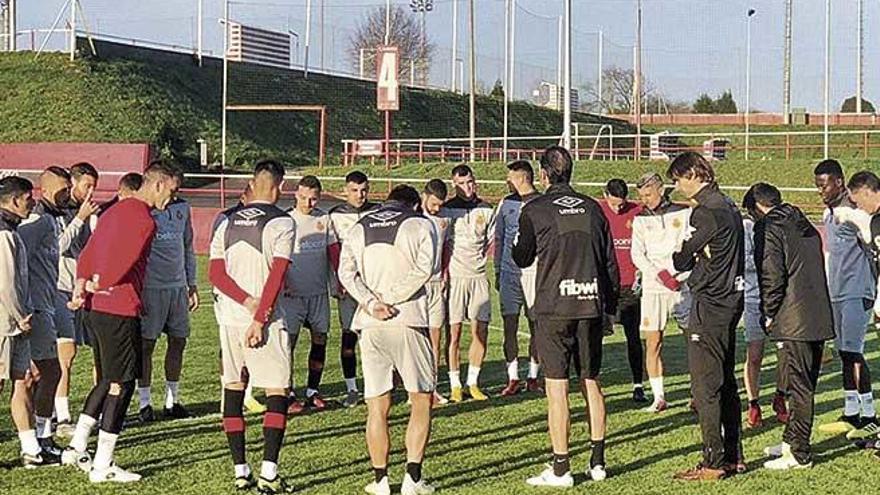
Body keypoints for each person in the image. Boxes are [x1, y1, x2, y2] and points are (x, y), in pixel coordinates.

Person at [62, 160, 180, 483]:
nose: (171, 199)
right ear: (157, 184)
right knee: (122, 382)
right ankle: (103, 464)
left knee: (106, 378)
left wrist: (83, 283)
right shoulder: (144, 219)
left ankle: (76, 446)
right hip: (119, 308)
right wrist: (102, 281)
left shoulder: (115, 210)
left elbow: (87, 252)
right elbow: (123, 259)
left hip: (96, 309)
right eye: (171, 191)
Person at [514, 146, 619, 487]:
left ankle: (561, 468)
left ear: (543, 174)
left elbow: (522, 256)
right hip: (590, 304)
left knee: (557, 388)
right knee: (591, 380)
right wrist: (610, 308)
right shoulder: (593, 208)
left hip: (554, 308)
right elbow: (609, 264)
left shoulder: (535, 208)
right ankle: (598, 461)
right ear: (571, 171)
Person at [338, 184, 437, 495]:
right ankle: (412, 478)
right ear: (415, 203)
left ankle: (380, 480)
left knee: (377, 405)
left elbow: (345, 273)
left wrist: (370, 303)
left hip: (370, 323)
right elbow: (425, 269)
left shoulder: (359, 226)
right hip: (407, 318)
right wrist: (390, 299)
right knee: (421, 399)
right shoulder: (421, 224)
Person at [208, 159, 295, 493]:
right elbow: (278, 273)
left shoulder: (225, 222)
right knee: (277, 391)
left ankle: (240, 471)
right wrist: (259, 315)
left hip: (229, 318)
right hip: (267, 321)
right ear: (279, 186)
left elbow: (216, 274)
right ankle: (269, 474)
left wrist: (244, 303)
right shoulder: (281, 222)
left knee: (233, 387)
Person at [667, 152, 744, 481]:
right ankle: (733, 455)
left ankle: (713, 462)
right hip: (731, 299)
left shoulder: (705, 212)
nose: (677, 186)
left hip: (710, 303)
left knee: (705, 387)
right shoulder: (729, 205)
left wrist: (687, 255)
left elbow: (682, 260)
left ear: (694, 175)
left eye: (678, 179)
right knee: (726, 381)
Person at [746, 183, 834, 470]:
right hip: (815, 312)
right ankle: (790, 441)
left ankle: (799, 453)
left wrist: (769, 312)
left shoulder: (768, 227)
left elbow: (771, 273)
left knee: (798, 386)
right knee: (801, 382)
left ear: (757, 208)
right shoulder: (801, 222)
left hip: (792, 317)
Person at [813, 160, 878, 440]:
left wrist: (875, 294)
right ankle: (851, 412)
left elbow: (872, 247)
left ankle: (869, 415)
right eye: (817, 185)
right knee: (844, 352)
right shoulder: (830, 213)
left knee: (853, 352)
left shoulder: (855, 212)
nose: (820, 190)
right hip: (837, 291)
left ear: (839, 182)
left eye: (823, 184)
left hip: (856, 289)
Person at [0, 176, 58, 467]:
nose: (32, 203)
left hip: (12, 322)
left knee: (20, 381)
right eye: (27, 198)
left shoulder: (12, 231)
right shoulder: (4, 235)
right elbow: (6, 284)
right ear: (13, 201)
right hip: (6, 323)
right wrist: (20, 315)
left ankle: (31, 450)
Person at [136, 169, 197, 423]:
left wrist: (191, 282)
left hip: (177, 287)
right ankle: (144, 403)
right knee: (146, 345)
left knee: (178, 341)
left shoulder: (182, 208)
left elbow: (188, 245)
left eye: (178, 190)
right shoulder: (142, 209)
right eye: (172, 190)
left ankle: (172, 400)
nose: (174, 195)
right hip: (151, 288)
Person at [630, 172, 691, 413]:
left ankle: (696, 393)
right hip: (655, 287)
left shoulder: (683, 212)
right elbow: (637, 255)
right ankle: (659, 397)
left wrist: (679, 275)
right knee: (653, 341)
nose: (645, 199)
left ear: (661, 190)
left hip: (682, 285)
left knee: (692, 339)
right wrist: (659, 276)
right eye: (642, 196)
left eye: (648, 194)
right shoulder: (640, 220)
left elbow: (690, 246)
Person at [18, 168, 69, 455]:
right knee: (49, 371)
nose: (66, 194)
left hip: (46, 304)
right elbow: (12, 251)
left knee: (38, 373)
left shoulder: (50, 219)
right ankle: (42, 436)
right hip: (35, 307)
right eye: (62, 189)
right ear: (45, 190)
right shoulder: (37, 222)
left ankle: (37, 437)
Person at [281, 176, 337, 414]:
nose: (309, 202)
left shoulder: (324, 220)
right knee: (288, 344)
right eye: (304, 197)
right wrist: (282, 282)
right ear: (296, 194)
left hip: (318, 293)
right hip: (291, 296)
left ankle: (313, 391)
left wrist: (339, 281)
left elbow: (333, 251)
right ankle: (287, 391)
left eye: (314, 198)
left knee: (320, 339)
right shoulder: (285, 220)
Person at [443, 164, 497, 402]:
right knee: (453, 333)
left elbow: (490, 242)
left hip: (478, 277)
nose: (468, 187)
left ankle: (473, 382)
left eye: (471, 182)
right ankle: (455, 384)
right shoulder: (447, 210)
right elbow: (442, 244)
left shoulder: (486, 209)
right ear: (454, 184)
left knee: (480, 330)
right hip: (455, 277)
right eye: (462, 183)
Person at [54, 162, 100, 436]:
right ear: (73, 183)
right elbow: (57, 247)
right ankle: (62, 418)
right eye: (87, 185)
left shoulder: (91, 212)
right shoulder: (57, 211)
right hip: (61, 289)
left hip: (84, 290)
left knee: (99, 353)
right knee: (65, 356)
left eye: (94, 185)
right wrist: (80, 219)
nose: (91, 191)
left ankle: (100, 412)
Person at [328, 171, 380, 408]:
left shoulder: (377, 212)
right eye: (355, 190)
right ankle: (351, 388)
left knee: (374, 337)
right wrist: (338, 282)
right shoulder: (335, 216)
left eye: (364, 190)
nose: (360, 195)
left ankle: (376, 386)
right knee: (349, 336)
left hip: (374, 286)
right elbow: (332, 251)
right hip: (348, 287)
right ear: (345, 191)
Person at [741, 191, 789, 428]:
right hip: (753, 299)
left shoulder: (781, 225)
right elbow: (744, 262)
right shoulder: (747, 229)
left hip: (779, 298)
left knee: (784, 351)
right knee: (755, 354)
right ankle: (753, 403)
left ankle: (781, 396)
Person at [495, 161, 543, 397]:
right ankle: (513, 377)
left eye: (511, 177)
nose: (507, 181)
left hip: (534, 273)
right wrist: (497, 270)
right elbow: (500, 239)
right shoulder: (506, 203)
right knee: (509, 326)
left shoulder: (541, 203)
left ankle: (533, 376)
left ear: (522, 178)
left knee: (536, 325)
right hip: (508, 274)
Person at [599, 178, 646, 403]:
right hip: (605, 285)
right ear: (605, 195)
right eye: (614, 203)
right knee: (596, 335)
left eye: (622, 204)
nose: (618, 208)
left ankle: (638, 385)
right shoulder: (597, 211)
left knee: (633, 337)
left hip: (630, 286)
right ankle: (594, 383)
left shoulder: (638, 212)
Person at [420, 179, 451, 406]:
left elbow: (446, 247)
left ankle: (432, 387)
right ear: (424, 196)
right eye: (433, 204)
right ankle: (413, 387)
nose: (436, 209)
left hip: (436, 283)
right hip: (415, 286)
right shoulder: (412, 219)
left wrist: (446, 272)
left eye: (440, 204)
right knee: (412, 338)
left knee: (435, 338)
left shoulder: (444, 219)